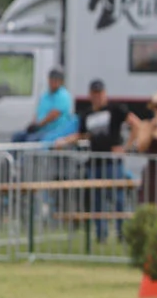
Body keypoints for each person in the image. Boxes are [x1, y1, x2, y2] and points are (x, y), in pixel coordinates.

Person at [54, 79, 132, 241]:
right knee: (97, 200)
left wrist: (126, 148)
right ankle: (100, 234)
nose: (98, 96)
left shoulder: (115, 109)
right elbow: (82, 135)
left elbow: (136, 124)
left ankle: (122, 233)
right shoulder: (86, 114)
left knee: (118, 199)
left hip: (112, 162)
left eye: (100, 93)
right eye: (94, 93)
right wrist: (64, 141)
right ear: (90, 95)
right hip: (94, 162)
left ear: (105, 93)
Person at [13, 67, 76, 142]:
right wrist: (33, 124)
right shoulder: (45, 95)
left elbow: (54, 115)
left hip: (54, 132)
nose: (53, 81)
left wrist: (39, 125)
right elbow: (38, 112)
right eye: (51, 79)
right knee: (18, 136)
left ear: (61, 81)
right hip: (41, 129)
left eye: (56, 79)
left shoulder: (63, 95)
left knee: (31, 140)